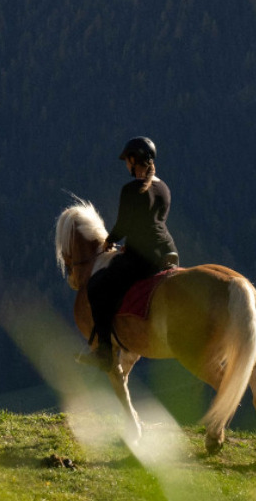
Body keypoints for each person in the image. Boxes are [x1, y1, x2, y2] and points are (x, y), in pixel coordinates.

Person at [78, 136, 179, 369]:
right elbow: (152, 223)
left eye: (128, 160)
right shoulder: (164, 188)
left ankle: (104, 351)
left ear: (135, 160)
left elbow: (124, 225)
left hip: (143, 258)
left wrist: (109, 241)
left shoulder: (130, 190)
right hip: (168, 251)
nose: (126, 165)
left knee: (97, 286)